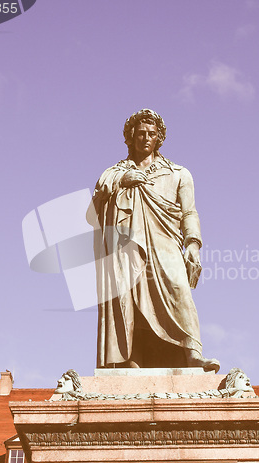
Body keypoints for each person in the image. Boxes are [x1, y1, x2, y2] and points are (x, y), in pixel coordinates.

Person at [87, 109, 220, 371]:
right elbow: (93, 210)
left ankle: (192, 352)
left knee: (178, 289)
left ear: (159, 138)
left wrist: (193, 243)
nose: (146, 138)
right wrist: (121, 180)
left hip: (165, 242)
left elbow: (189, 212)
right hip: (126, 245)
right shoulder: (114, 173)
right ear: (131, 138)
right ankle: (129, 359)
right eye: (140, 134)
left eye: (151, 134)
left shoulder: (178, 173)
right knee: (128, 300)